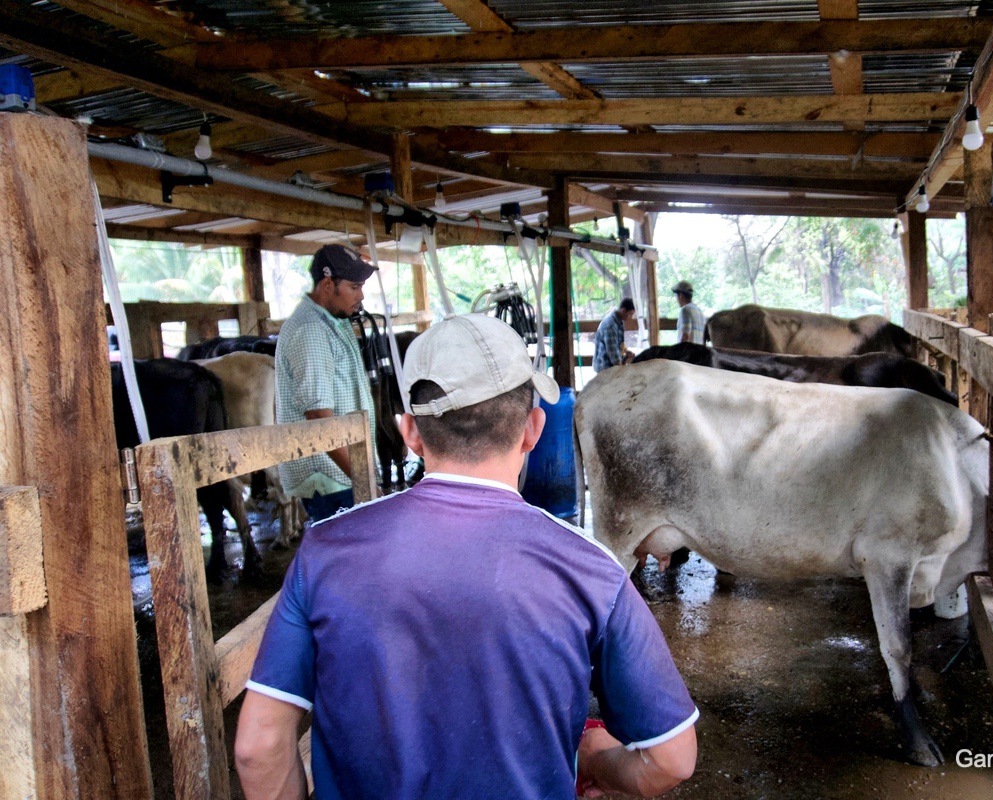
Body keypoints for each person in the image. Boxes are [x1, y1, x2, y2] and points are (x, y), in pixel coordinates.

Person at [235, 314, 698, 800]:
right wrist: (600, 762)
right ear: (533, 429)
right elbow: (672, 759)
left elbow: (257, 747)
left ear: (410, 432)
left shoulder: (325, 550)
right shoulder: (590, 569)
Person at [275, 243, 378, 523]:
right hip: (332, 476)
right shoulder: (311, 330)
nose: (361, 295)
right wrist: (365, 479)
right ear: (328, 284)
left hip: (343, 474)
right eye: (354, 287)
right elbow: (319, 418)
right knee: (346, 561)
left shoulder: (332, 320)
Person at [593, 297, 637, 372]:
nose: (631, 318)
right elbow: (613, 353)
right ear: (623, 310)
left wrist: (625, 352)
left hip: (611, 366)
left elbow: (617, 343)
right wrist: (621, 371)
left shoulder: (619, 321)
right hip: (605, 367)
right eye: (630, 314)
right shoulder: (610, 326)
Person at [672, 280, 706, 345]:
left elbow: (685, 335)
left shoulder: (685, 310)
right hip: (700, 352)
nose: (676, 299)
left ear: (681, 295)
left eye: (676, 296)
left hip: (689, 353)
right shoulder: (700, 311)